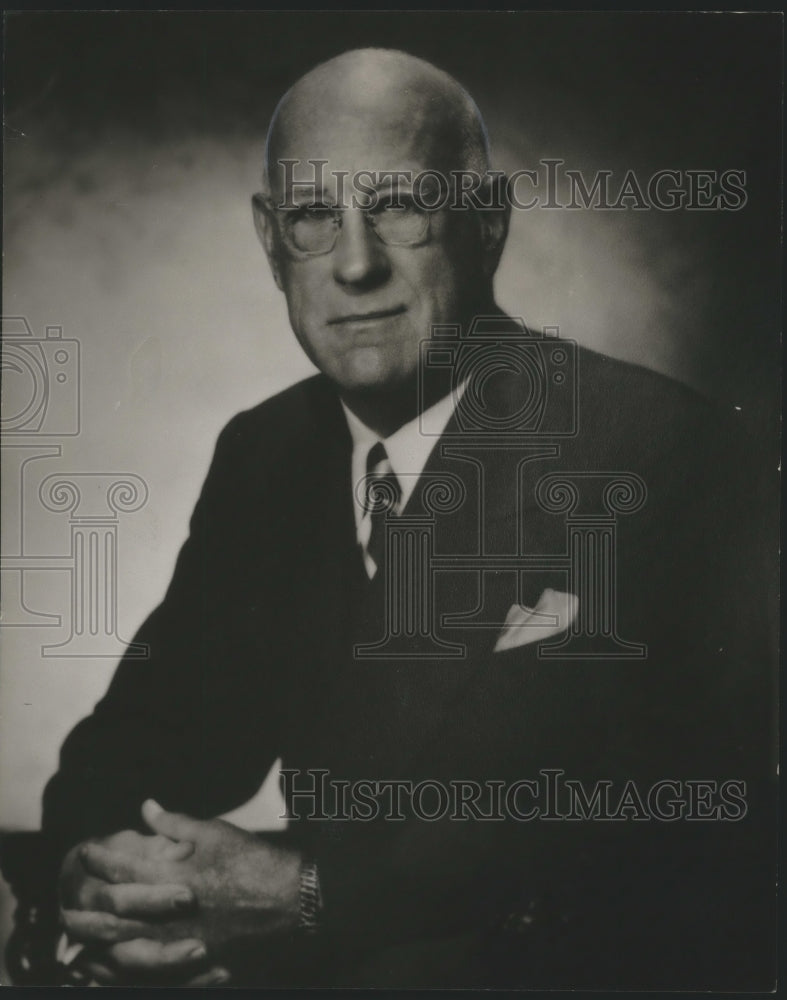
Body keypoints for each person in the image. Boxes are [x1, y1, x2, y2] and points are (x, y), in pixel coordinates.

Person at [38, 48, 774, 988]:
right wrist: (96, 877)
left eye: (397, 205)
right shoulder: (267, 453)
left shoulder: (663, 455)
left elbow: (710, 847)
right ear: (270, 242)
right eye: (312, 216)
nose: (353, 263)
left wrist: (311, 897)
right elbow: (150, 739)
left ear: (488, 223)